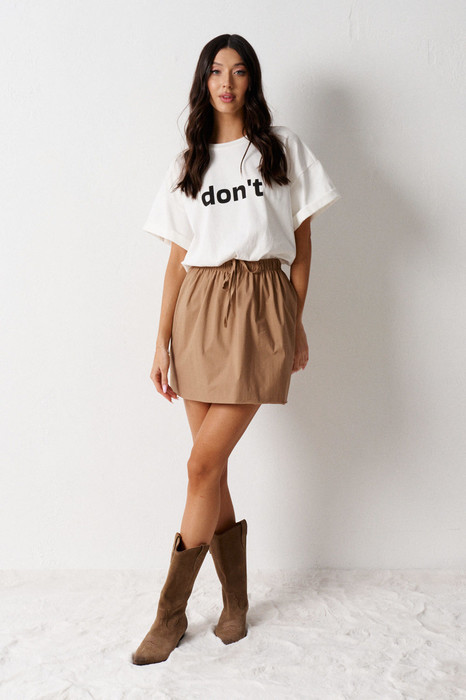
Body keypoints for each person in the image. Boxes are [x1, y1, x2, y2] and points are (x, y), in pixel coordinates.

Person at [132, 33, 341, 665]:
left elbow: (303, 246)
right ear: (204, 81)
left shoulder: (281, 148)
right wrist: (161, 340)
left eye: (240, 70)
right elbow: (176, 260)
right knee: (211, 468)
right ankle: (235, 602)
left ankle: (168, 616)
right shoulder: (189, 161)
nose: (227, 82)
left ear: (252, 81)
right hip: (198, 308)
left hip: (260, 306)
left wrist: (294, 323)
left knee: (200, 465)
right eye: (216, 71)